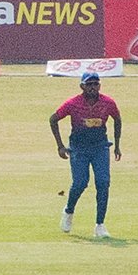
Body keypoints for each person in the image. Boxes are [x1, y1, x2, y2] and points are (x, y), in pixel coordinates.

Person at [50, 69, 122, 237]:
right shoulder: (73, 103)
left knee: (103, 182)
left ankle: (100, 225)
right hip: (79, 148)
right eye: (89, 84)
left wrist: (117, 145)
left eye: (95, 84)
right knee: (81, 182)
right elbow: (53, 119)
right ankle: (68, 211)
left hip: (100, 147)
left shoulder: (107, 102)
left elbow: (117, 119)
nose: (92, 87)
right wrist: (60, 146)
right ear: (82, 86)